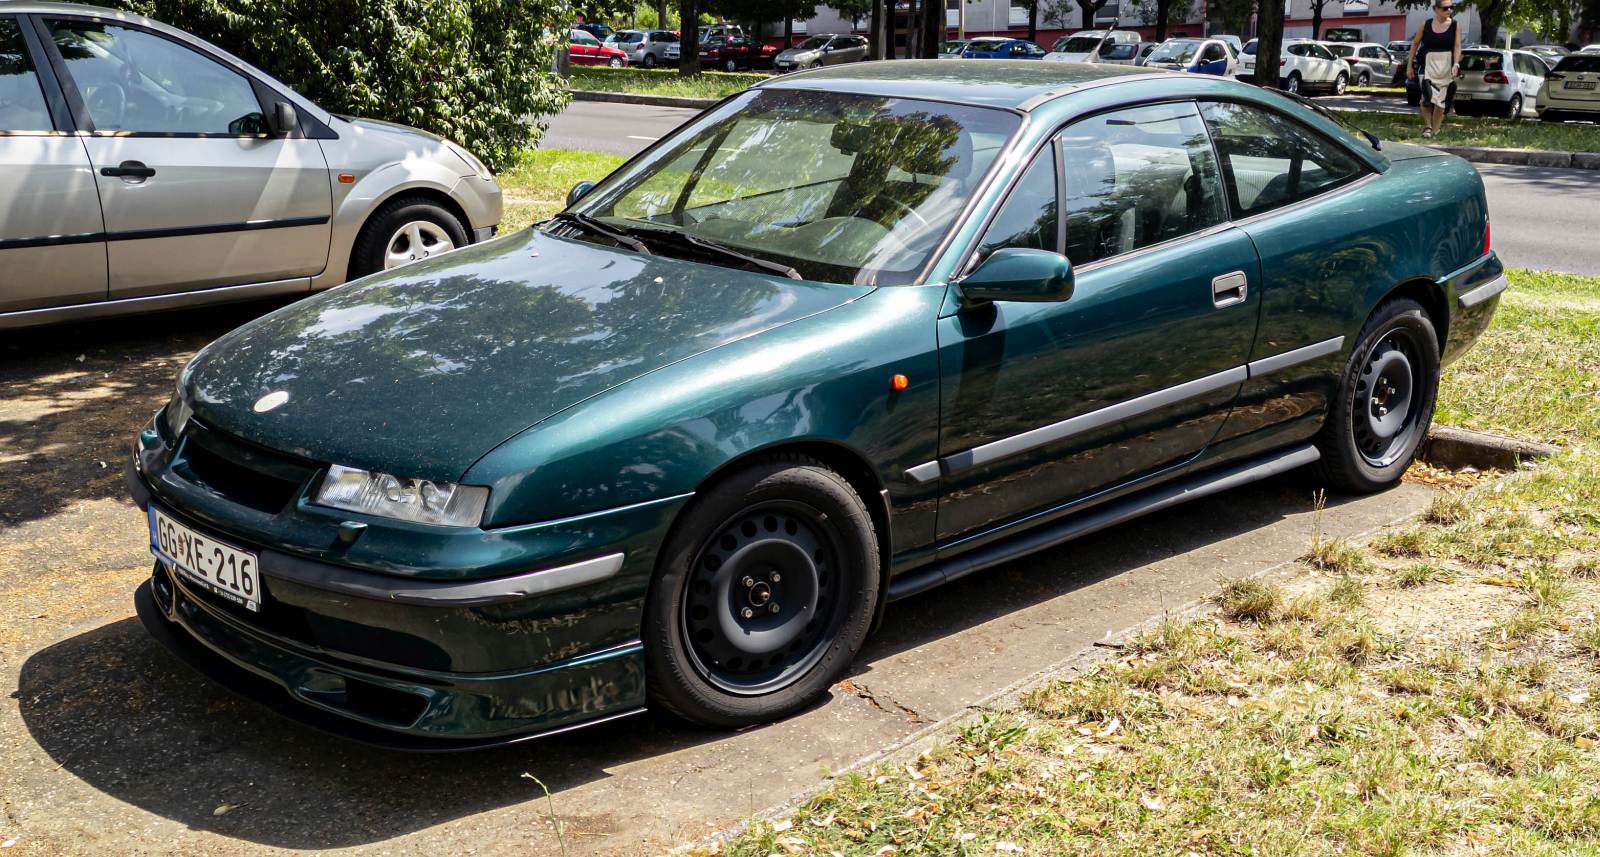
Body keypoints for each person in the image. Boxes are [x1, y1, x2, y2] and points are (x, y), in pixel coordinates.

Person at [1408, 0, 1462, 139]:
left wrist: (1456, 64)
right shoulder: (1425, 25)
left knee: (1441, 101)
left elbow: (1457, 46)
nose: (1449, 10)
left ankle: (1435, 129)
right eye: (1445, 8)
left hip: (1445, 67)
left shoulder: (1455, 26)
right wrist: (1409, 66)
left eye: (1451, 7)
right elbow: (1415, 44)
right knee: (1427, 97)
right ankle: (1428, 126)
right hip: (1427, 65)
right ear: (1436, 9)